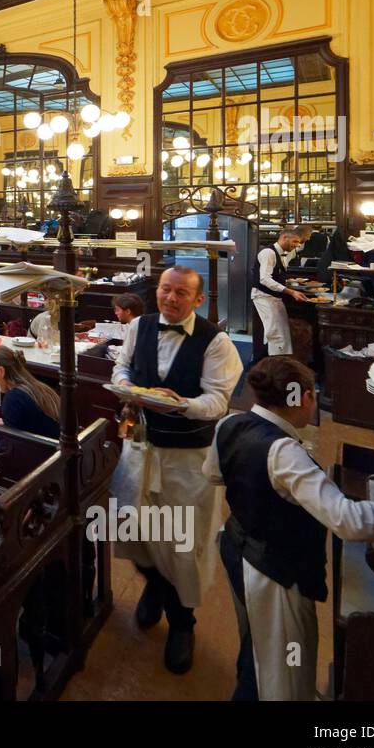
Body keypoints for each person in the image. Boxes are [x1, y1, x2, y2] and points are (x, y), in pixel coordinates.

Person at [205, 356, 374, 701]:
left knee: (256, 641)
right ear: (303, 399)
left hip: (235, 546)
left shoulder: (228, 425)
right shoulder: (283, 452)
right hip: (275, 571)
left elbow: (213, 473)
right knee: (285, 674)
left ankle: (248, 684)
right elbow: (348, 520)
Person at [110, 265, 243, 674]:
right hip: (141, 448)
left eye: (180, 293)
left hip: (188, 459)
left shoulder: (216, 342)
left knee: (182, 543)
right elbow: (122, 368)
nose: (170, 298)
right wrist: (130, 390)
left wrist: (179, 404)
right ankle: (154, 582)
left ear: (197, 299)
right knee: (131, 528)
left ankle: (183, 623)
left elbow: (218, 401)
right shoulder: (140, 327)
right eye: (165, 290)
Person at [0, 345, 59, 444]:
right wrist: (7, 425)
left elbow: (5, 446)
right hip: (57, 451)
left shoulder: (13, 398)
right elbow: (32, 424)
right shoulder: (38, 387)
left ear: (1, 371)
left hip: (44, 455)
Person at [251, 226, 311, 358]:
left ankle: (278, 366)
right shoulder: (268, 253)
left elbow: (275, 275)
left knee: (281, 335)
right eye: (295, 241)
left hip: (273, 298)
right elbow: (265, 279)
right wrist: (291, 292)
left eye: (299, 243)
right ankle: (270, 368)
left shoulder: (279, 254)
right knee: (275, 335)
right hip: (264, 297)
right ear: (284, 237)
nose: (296, 246)